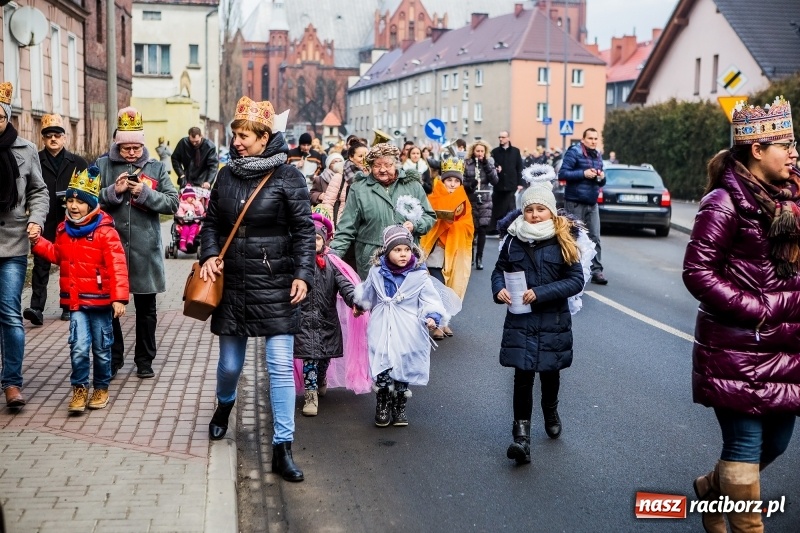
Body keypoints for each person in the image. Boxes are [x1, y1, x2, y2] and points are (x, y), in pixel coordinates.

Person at [683, 97, 800, 533]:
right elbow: (697, 272)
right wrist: (759, 309)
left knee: (778, 441)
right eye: (785, 145)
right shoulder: (723, 202)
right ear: (756, 149)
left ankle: (711, 490)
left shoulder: (792, 199)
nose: (794, 153)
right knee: (746, 443)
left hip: (785, 347)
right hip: (737, 345)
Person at [199, 95, 315, 482]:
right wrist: (210, 255)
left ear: (265, 137)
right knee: (230, 365)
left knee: (281, 367)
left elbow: (303, 230)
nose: (238, 142)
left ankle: (283, 447)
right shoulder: (226, 174)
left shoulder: (289, 176)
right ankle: (224, 405)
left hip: (277, 278)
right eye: (236, 135)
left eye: (245, 136)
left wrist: (302, 274)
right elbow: (212, 223)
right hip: (232, 279)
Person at [491, 181, 584, 465]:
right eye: (529, 209)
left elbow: (576, 280)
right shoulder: (512, 240)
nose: (534, 214)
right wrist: (498, 289)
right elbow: (499, 270)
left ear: (551, 212)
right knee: (522, 377)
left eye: (540, 209)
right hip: (520, 320)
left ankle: (550, 409)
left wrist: (540, 293)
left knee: (549, 373)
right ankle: (521, 437)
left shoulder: (563, 240)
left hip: (553, 321)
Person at [30, 166, 129, 413]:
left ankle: (101, 387)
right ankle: (79, 388)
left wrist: (119, 298)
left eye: (79, 202)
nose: (73, 206)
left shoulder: (106, 232)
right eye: (70, 201)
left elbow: (118, 265)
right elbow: (58, 255)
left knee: (102, 348)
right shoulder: (64, 231)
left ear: (91, 203)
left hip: (102, 301)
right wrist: (39, 243)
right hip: (77, 302)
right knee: (78, 346)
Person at [97, 106, 179, 379]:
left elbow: (172, 202)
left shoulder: (155, 167)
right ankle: (114, 357)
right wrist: (114, 191)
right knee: (110, 306)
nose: (131, 153)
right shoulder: (102, 165)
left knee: (146, 310)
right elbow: (85, 201)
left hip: (145, 250)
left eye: (136, 147)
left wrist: (145, 193)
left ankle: (144, 360)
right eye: (125, 148)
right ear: (117, 143)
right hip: (111, 249)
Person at [353, 225, 447, 427]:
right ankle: (383, 402)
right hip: (382, 324)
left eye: (406, 249)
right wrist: (360, 305)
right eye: (397, 250)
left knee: (404, 362)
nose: (403, 254)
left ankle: (399, 404)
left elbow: (430, 299)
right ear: (387, 251)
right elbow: (369, 292)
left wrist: (432, 316)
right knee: (383, 361)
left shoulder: (419, 275)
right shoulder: (377, 272)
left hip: (408, 328)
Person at [0, 81, 49, 408]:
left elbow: (39, 191)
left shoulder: (25, 149)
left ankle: (12, 383)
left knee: (9, 312)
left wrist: (36, 219)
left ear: (6, 116)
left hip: (13, 243)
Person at [329, 143, 436, 280]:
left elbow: (429, 216)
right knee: (374, 299)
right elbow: (346, 227)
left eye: (387, 165)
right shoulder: (360, 189)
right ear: (370, 167)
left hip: (406, 257)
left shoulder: (412, 185)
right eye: (377, 165)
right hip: (372, 259)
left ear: (396, 164)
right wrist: (332, 256)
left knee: (406, 298)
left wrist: (415, 225)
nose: (382, 169)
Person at [24, 113, 88, 325]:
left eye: (57, 135)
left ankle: (69, 305)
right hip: (45, 219)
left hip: (71, 222)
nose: (53, 139)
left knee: (70, 266)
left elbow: (88, 193)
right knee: (41, 265)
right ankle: (36, 308)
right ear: (43, 139)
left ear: (65, 138)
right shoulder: (35, 161)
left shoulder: (78, 163)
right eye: (49, 135)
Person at [294, 212, 357, 416]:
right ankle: (310, 394)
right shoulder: (296, 263)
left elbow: (346, 286)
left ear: (325, 240)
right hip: (303, 321)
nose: (314, 243)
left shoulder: (332, 264)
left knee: (324, 358)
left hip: (327, 320)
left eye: (318, 239)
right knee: (309, 358)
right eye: (309, 239)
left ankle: (321, 378)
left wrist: (356, 300)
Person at [420, 157, 473, 339]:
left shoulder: (464, 199)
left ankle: (445, 322)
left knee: (451, 286)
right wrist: (440, 221)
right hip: (436, 250)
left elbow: (468, 227)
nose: (452, 184)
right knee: (437, 286)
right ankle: (437, 324)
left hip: (455, 249)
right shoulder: (433, 196)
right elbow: (427, 221)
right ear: (443, 180)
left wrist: (454, 224)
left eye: (456, 181)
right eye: (449, 180)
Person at [558, 127, 607, 285]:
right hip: (575, 201)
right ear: (583, 139)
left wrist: (601, 177)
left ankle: (596, 271)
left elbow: (602, 181)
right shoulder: (575, 152)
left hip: (592, 202)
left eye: (595, 138)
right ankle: (571, 270)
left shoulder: (598, 155)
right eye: (590, 138)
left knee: (595, 237)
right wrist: (583, 174)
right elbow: (563, 174)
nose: (593, 141)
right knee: (574, 237)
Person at [463, 140, 499, 271]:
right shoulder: (467, 163)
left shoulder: (489, 163)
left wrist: (487, 166)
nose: (479, 153)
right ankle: (470, 256)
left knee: (483, 229)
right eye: (477, 151)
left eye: (482, 151)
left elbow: (495, 180)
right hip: (471, 199)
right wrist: (470, 184)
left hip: (485, 200)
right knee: (471, 230)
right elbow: (463, 181)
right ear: (473, 151)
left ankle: (479, 258)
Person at [321, 143, 367, 226]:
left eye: (366, 156)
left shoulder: (372, 176)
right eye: (360, 156)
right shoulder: (340, 176)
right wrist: (331, 228)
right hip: (343, 224)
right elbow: (328, 204)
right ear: (351, 157)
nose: (364, 159)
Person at [490, 131, 524, 231]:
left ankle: (510, 228)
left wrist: (520, 183)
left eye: (503, 137)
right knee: (498, 208)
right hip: (498, 184)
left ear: (508, 138)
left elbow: (519, 167)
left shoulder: (515, 151)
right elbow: (491, 164)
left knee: (510, 207)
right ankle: (497, 228)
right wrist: (496, 167)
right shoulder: (495, 151)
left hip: (511, 184)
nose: (501, 139)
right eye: (499, 137)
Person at [175, 185, 205, 252]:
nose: (192, 198)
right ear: (185, 197)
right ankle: (182, 244)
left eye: (193, 197)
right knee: (185, 229)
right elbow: (179, 212)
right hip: (185, 222)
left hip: (194, 221)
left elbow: (201, 212)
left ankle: (190, 240)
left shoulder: (197, 203)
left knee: (194, 228)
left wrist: (196, 205)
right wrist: (183, 217)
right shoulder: (181, 205)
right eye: (190, 197)